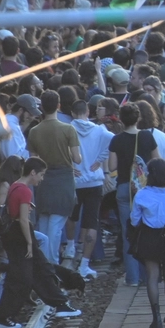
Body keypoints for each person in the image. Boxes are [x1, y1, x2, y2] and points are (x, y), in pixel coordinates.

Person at [0, 157, 82, 328]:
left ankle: (60, 304)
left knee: (41, 269)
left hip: (14, 235)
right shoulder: (24, 191)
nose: (41, 179)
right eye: (40, 175)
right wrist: (28, 243)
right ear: (32, 173)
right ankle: (2, 316)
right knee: (22, 277)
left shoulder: (15, 186)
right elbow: (24, 220)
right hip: (20, 235)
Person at [25, 90, 81, 265]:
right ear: (58, 105)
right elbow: (77, 158)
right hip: (64, 179)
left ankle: (43, 264)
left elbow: (33, 159)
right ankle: (52, 265)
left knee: (44, 222)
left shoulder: (34, 131)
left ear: (41, 107)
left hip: (43, 179)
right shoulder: (68, 129)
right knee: (56, 226)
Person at [129, 159, 165, 328]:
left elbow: (134, 220)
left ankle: (156, 318)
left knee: (152, 277)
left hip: (149, 238)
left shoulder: (142, 195)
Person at [109, 104, 160, 287]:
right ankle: (149, 276)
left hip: (124, 187)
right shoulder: (147, 136)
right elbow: (157, 160)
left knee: (127, 231)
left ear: (121, 119)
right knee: (147, 229)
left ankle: (132, 278)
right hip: (144, 189)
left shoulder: (116, 140)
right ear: (138, 118)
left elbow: (111, 167)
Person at [67, 99, 111, 280]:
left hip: (75, 180)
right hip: (94, 181)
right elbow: (111, 140)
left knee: (72, 215)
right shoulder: (100, 130)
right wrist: (100, 160)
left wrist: (69, 165)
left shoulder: (67, 128)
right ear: (87, 111)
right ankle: (85, 264)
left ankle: (70, 246)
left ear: (72, 112)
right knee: (92, 221)